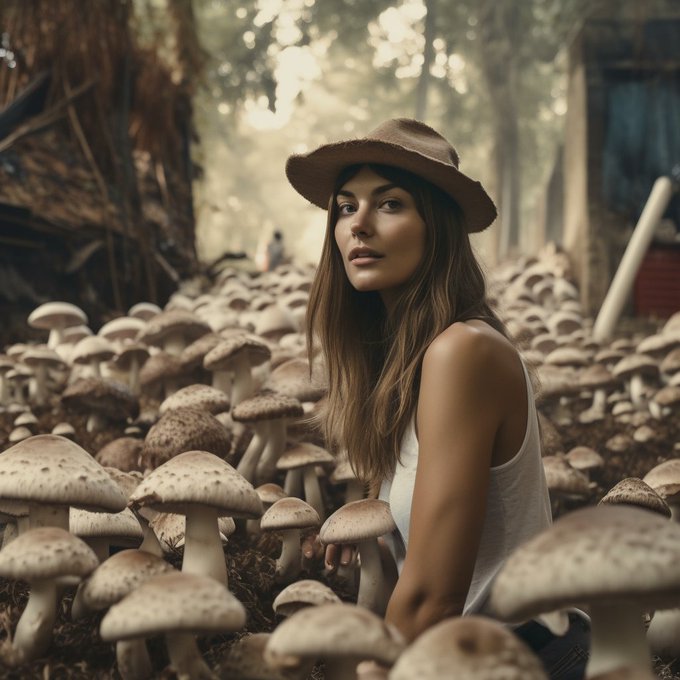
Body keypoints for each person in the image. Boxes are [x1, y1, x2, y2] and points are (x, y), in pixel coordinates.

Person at [286, 118, 590, 679]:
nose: (360, 225)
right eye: (347, 207)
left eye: (391, 204)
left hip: (523, 660)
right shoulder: (410, 361)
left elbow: (433, 599)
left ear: (438, 227)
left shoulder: (462, 352)